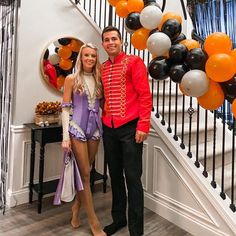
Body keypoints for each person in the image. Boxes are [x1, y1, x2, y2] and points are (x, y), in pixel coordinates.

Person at [101, 26, 152, 236]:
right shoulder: (102, 67)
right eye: (106, 40)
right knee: (114, 175)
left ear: (121, 41)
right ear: (103, 44)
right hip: (109, 129)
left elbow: (145, 95)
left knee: (132, 178)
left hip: (131, 129)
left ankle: (136, 231)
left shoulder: (134, 62)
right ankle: (119, 219)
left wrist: (143, 125)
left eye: (114, 38)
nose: (110, 42)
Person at [60, 43, 106, 236]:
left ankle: (76, 208)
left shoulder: (99, 79)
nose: (89, 59)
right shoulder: (72, 79)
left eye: (93, 56)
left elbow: (103, 104)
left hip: (95, 128)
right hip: (76, 128)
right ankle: (94, 222)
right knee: (86, 175)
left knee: (87, 171)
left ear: (96, 59)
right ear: (81, 57)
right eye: (86, 55)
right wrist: (65, 137)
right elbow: (65, 108)